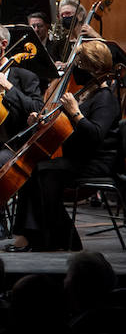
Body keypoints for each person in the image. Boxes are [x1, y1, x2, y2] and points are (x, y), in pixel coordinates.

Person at [7, 39, 120, 252]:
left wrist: (75, 112)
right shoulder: (88, 93)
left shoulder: (105, 99)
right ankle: (33, 236)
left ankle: (57, 238)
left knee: (44, 171)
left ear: (93, 68)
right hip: (77, 157)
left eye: (78, 64)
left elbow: (95, 135)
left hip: (95, 162)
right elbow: (66, 127)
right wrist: (39, 120)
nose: (74, 69)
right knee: (33, 167)